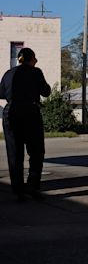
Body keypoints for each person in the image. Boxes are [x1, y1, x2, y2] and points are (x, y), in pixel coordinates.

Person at [0, 48, 51, 201]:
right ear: (31, 59)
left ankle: (18, 190)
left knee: (15, 153)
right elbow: (46, 92)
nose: (36, 61)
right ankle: (33, 187)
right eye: (35, 58)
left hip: (10, 113)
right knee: (36, 152)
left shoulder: (9, 73)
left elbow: (1, 93)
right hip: (30, 113)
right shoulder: (35, 72)